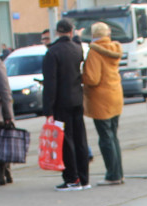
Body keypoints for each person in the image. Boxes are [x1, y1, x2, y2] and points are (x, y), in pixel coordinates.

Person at [43, 19, 90, 190]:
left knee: (66, 140)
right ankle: (84, 178)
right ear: (71, 31)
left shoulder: (52, 53)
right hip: (77, 99)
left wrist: (48, 108)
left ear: (57, 32)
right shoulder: (77, 49)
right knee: (80, 139)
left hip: (61, 102)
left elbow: (50, 83)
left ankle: (72, 178)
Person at [83, 21, 124, 185]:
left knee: (105, 138)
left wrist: (82, 76)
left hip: (101, 99)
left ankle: (112, 175)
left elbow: (92, 79)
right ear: (108, 34)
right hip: (115, 95)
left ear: (93, 35)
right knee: (113, 136)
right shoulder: (115, 48)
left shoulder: (94, 52)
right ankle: (119, 173)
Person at [0, 54, 15, 185]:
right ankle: (3, 171)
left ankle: (3, 171)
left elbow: (4, 90)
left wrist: (8, 115)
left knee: (1, 142)